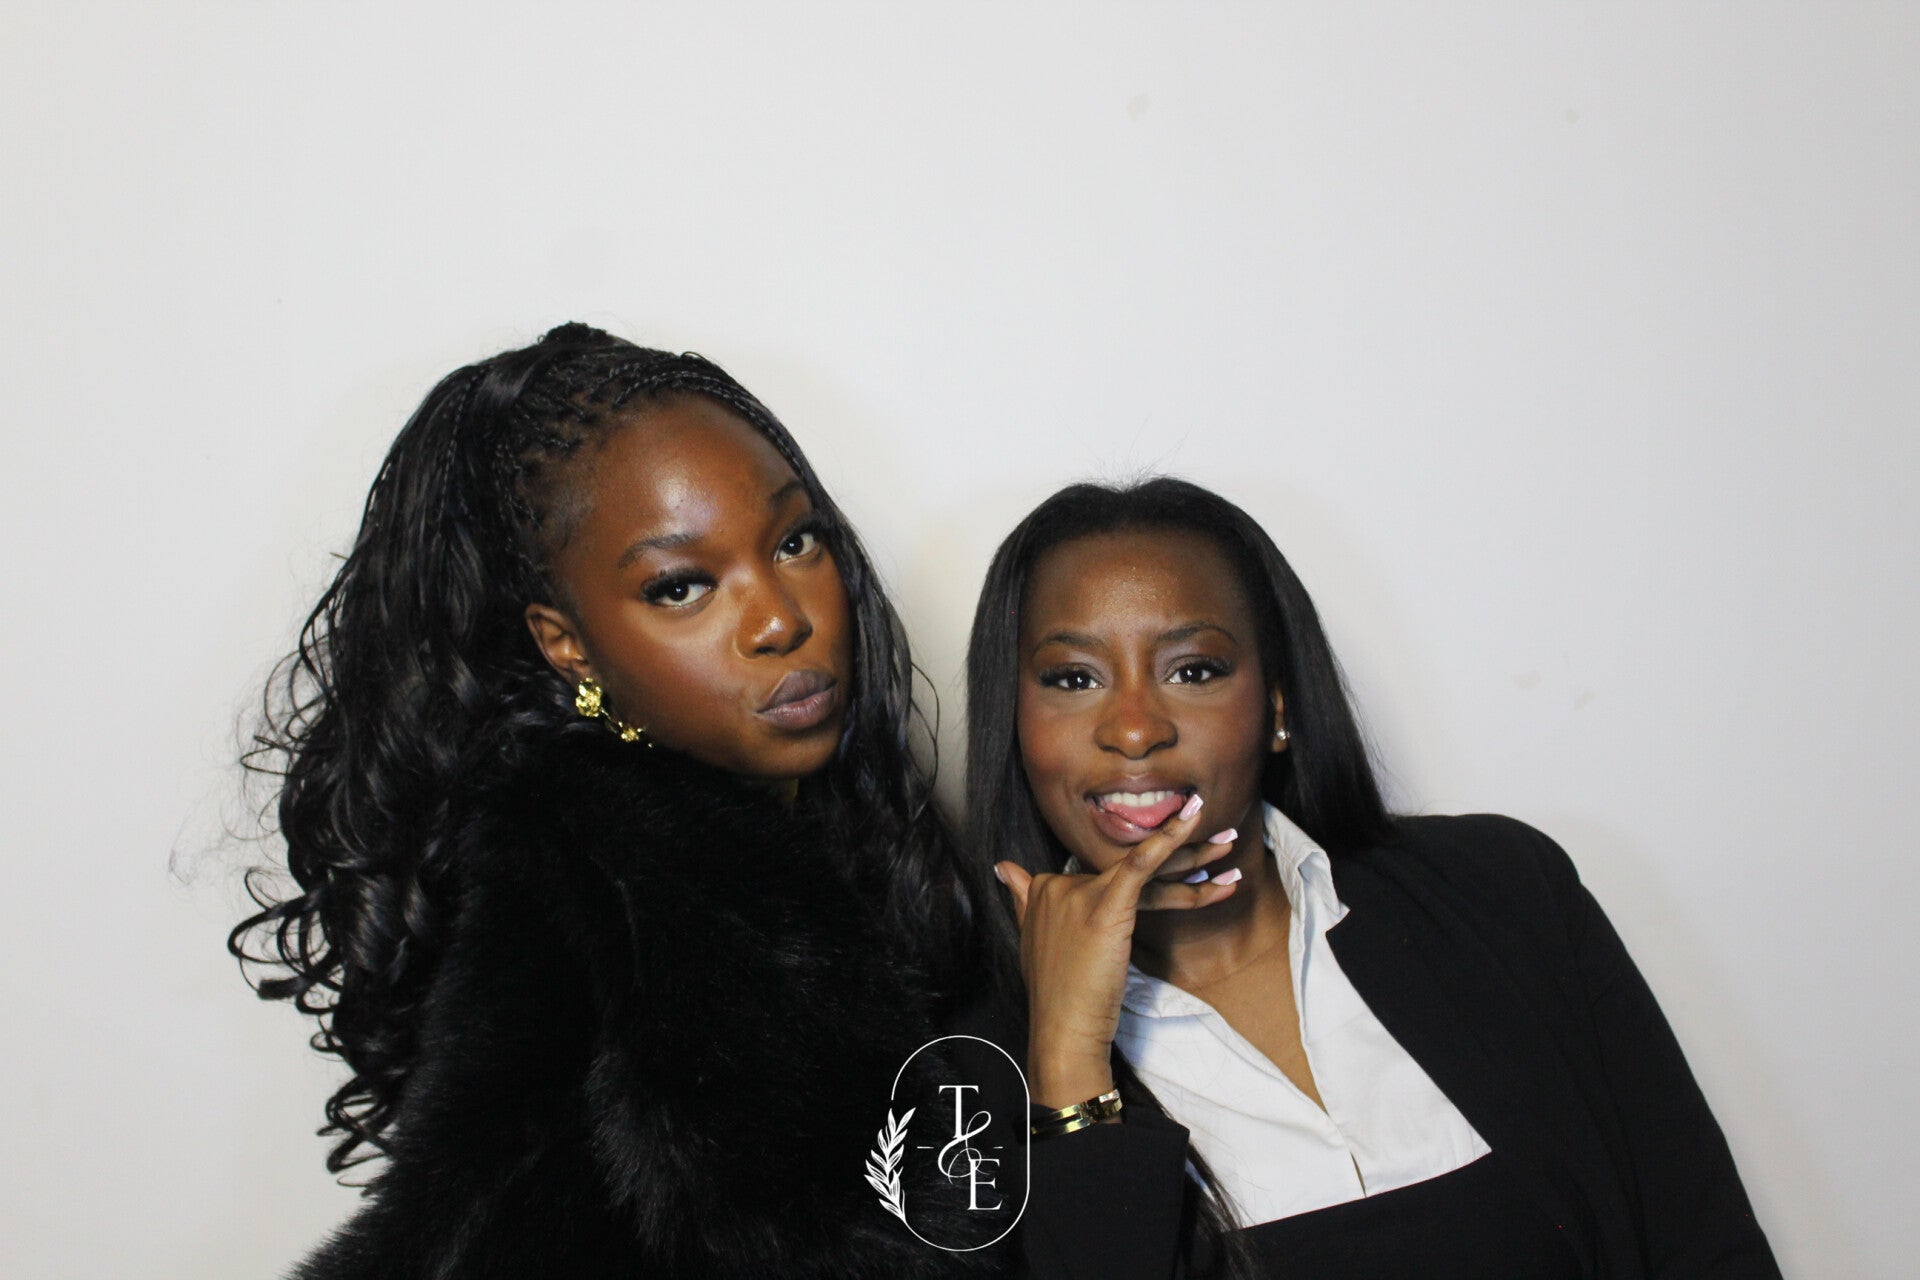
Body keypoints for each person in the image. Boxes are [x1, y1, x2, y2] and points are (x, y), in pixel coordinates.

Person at [231, 324, 1007, 1278]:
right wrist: (1071, 1082)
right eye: (682, 588)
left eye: (795, 540)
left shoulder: (624, 855)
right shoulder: (658, 891)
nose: (780, 620)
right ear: (568, 646)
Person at [965, 477, 1781, 1280]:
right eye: (1073, 679)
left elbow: (1709, 1250)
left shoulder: (1506, 893)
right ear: (1015, 720)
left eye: (1195, 669)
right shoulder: (962, 1068)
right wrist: (1068, 1061)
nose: (1136, 729)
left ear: (1279, 705)